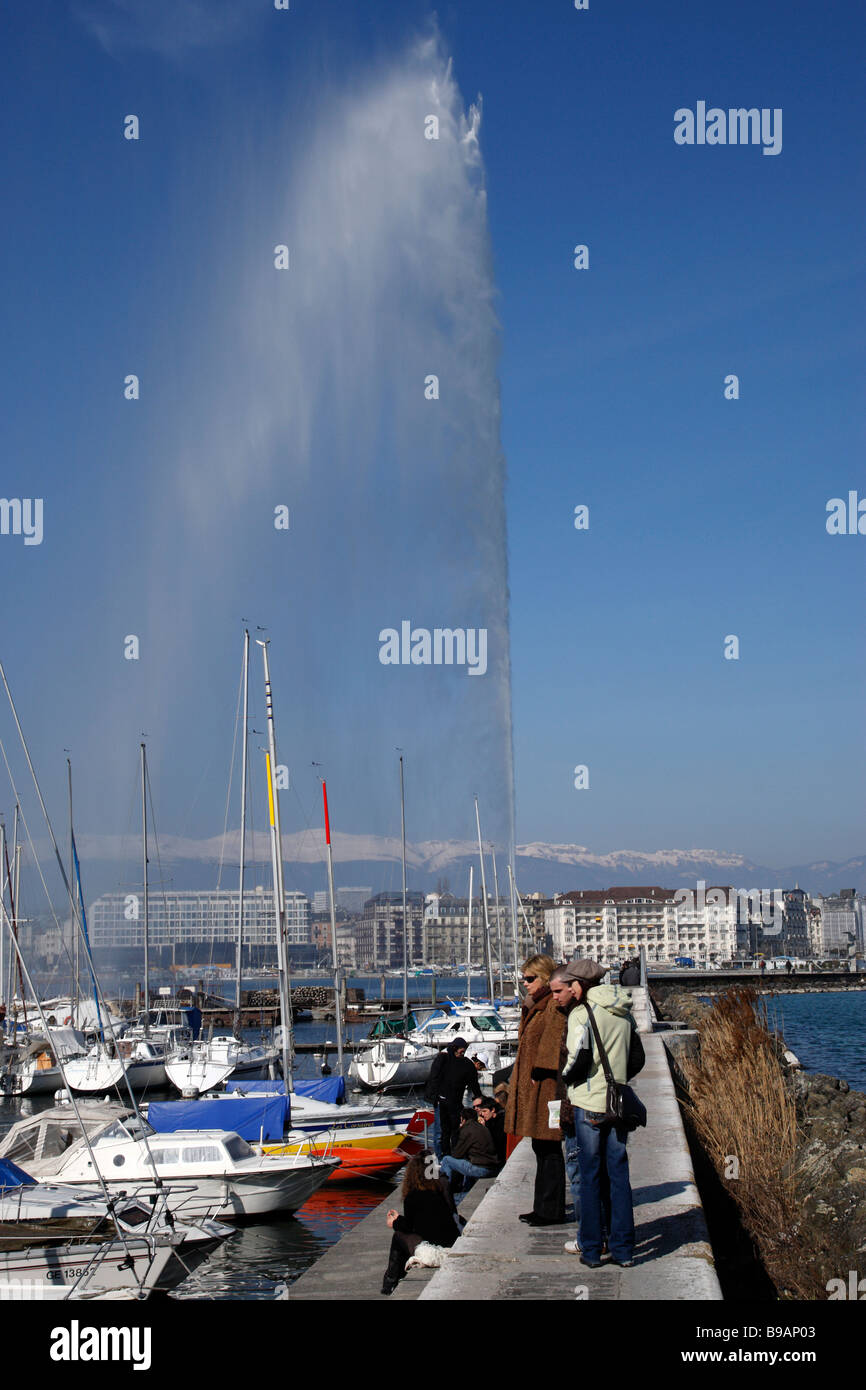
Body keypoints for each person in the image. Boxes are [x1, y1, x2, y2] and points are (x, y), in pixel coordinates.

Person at [560, 957, 636, 1269]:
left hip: (589, 1103)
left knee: (590, 1178)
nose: (570, 989)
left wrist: (566, 1077)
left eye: (572, 984)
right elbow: (638, 1057)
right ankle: (624, 1251)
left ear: (581, 984)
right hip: (617, 1103)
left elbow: (578, 1057)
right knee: (619, 1177)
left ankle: (591, 1250)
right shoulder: (623, 1010)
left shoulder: (581, 1013)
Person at [504, 954, 568, 1226]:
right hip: (536, 1086)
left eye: (530, 979)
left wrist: (541, 1069)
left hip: (548, 1088)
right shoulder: (535, 1005)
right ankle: (542, 1205)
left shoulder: (551, 1006)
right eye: (524, 978)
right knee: (540, 1147)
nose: (525, 983)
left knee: (549, 1147)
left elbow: (556, 1041)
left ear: (544, 978)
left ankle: (550, 1209)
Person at [381, 1151, 460, 1295]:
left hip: (433, 1246)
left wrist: (395, 1223)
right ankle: (393, 1281)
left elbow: (410, 1226)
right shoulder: (437, 1191)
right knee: (403, 1234)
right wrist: (399, 1219)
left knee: (398, 1237)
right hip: (450, 1241)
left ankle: (389, 1283)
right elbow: (421, 1221)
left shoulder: (412, 1196)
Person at [423, 1037, 481, 1158]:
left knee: (456, 1132)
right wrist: (434, 1098)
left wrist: (478, 1097)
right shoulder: (443, 1059)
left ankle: (454, 1156)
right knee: (440, 1132)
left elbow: (473, 1083)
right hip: (441, 1102)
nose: (463, 1052)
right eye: (461, 1050)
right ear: (455, 1048)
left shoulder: (466, 1064)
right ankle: (440, 1158)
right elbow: (433, 1078)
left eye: (464, 1051)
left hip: (455, 1103)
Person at [439, 1106, 499, 1200]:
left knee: (447, 1160)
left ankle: (443, 1192)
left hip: (481, 1169)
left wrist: (456, 1133)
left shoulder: (466, 1130)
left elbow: (456, 1154)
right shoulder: (482, 1128)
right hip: (492, 1167)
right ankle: (465, 1190)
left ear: (463, 1119)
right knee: (466, 1162)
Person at [473, 1093, 507, 1167]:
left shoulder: (501, 1121)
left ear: (493, 1110)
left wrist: (484, 1129)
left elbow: (494, 1144)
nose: (482, 1114)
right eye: (481, 1111)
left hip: (497, 1161)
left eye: (484, 1111)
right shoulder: (490, 1120)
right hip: (493, 1159)